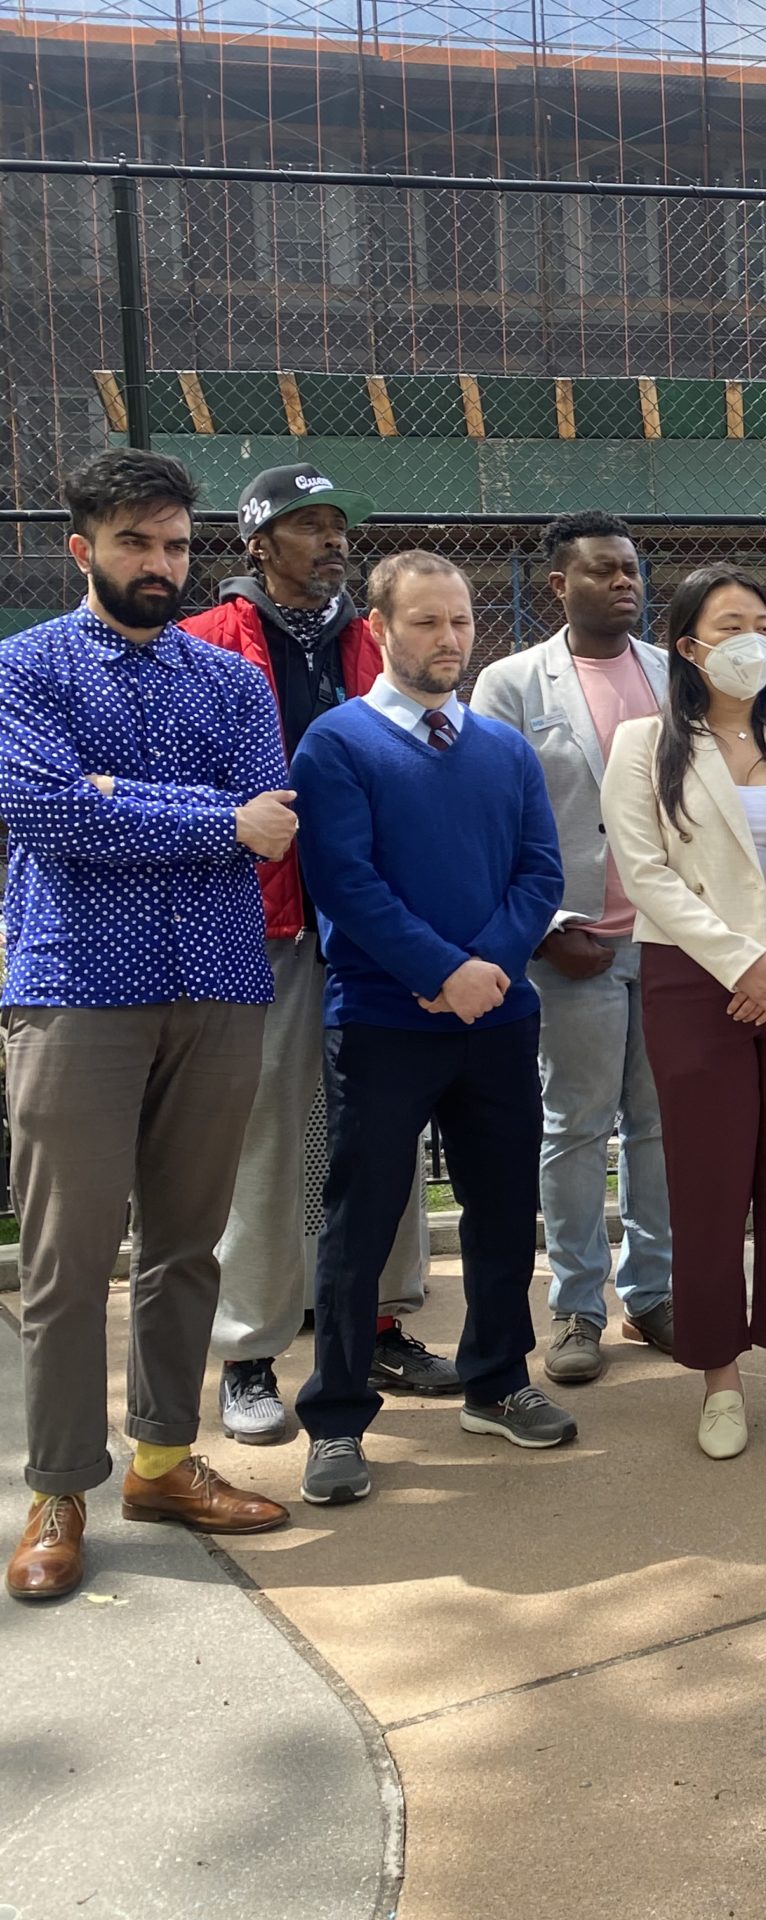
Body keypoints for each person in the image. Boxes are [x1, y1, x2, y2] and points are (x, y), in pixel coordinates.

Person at [1, 448, 292, 1601]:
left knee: (186, 1244)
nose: (160, 563)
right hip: (75, 987)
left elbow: (274, 819)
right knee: (68, 1258)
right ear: (83, 549)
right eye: (136, 542)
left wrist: (123, 797)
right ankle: (59, 1489)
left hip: (218, 985)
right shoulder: (25, 667)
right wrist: (213, 819)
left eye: (175, 543)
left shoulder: (233, 682)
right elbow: (44, 811)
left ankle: (165, 1463)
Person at [290, 551, 574, 1505]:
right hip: (381, 1021)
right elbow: (345, 882)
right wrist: (441, 972)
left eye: (459, 620)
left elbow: (539, 871)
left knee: (503, 1210)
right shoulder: (337, 744)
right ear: (377, 629)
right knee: (359, 1222)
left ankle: (496, 1382)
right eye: (425, 622)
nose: (449, 639)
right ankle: (336, 1417)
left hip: (497, 1018)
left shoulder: (503, 749)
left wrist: (483, 970)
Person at [182, 464, 449, 1445]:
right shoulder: (207, 642)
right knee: (267, 1136)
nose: (332, 538)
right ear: (257, 543)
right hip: (267, 926)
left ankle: (376, 1323)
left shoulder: (375, 640)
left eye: (339, 523)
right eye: (309, 525)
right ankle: (249, 1351)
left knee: (385, 1126)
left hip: (377, 922)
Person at [601, 567, 766, 1458]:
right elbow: (645, 871)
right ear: (688, 646)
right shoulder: (645, 744)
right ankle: (719, 1379)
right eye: (729, 625)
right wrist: (739, 961)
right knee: (707, 1185)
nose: (752, 640)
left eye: (763, 624)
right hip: (694, 981)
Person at [470, 511, 676, 1385]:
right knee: (576, 1127)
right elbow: (489, 820)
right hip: (573, 946)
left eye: (631, 569)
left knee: (660, 1127)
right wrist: (549, 929)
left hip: (667, 941)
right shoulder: (512, 684)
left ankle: (655, 1295)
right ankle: (578, 1308)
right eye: (602, 570)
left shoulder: (674, 674)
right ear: (559, 584)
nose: (624, 582)